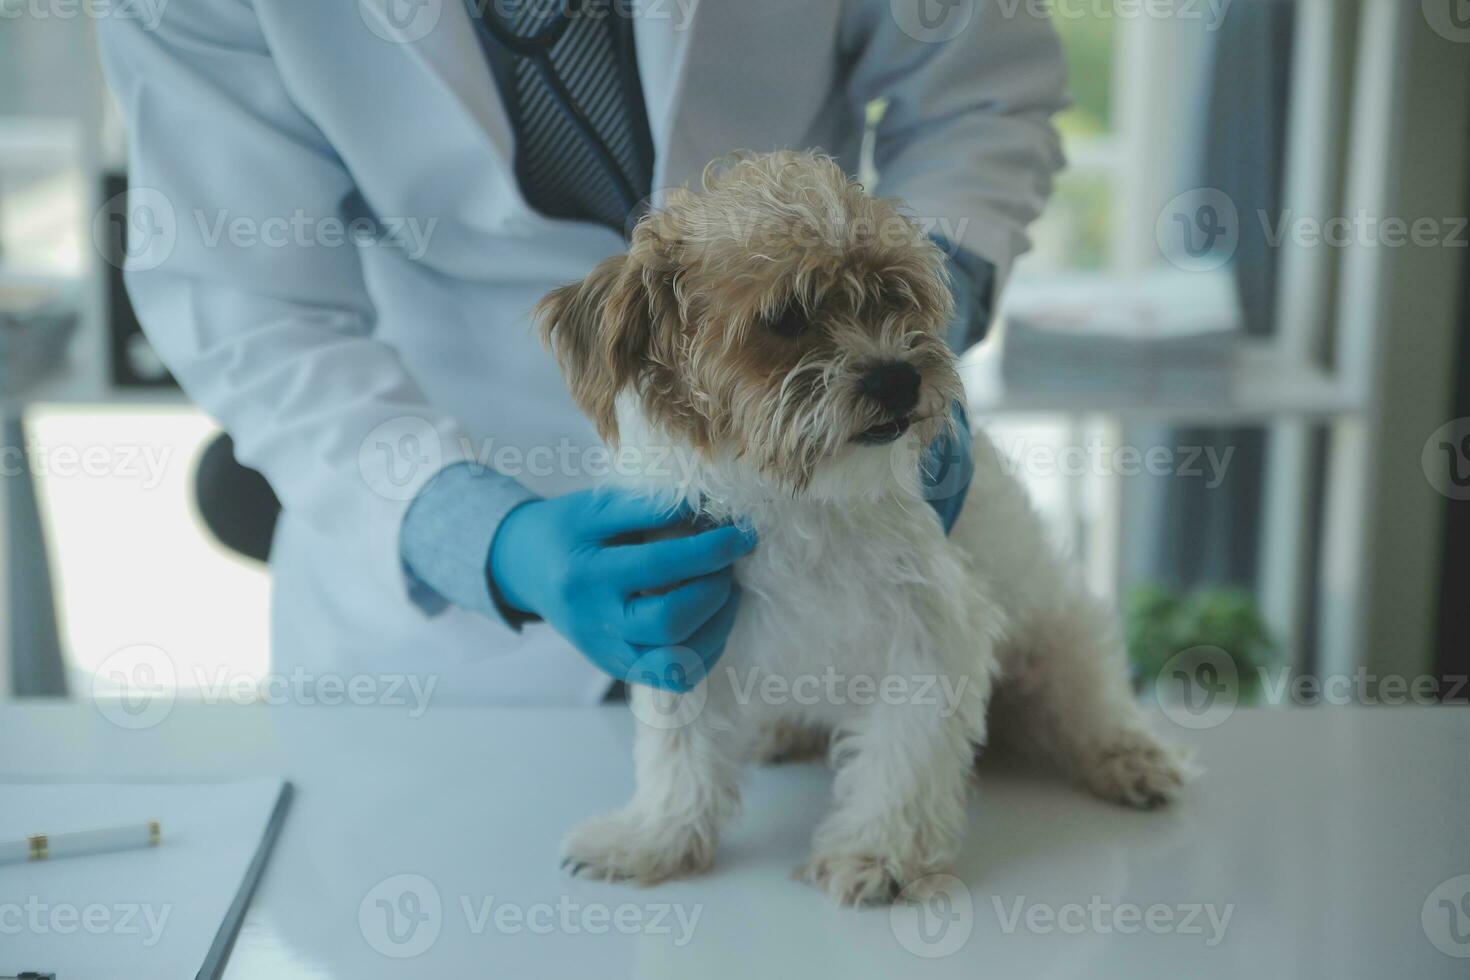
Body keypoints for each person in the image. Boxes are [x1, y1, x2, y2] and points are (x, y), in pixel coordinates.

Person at [98, 0, 1065, 704]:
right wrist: (479, 538)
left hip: (813, 448)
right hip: (443, 534)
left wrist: (920, 302)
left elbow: (981, 89)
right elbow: (251, 302)